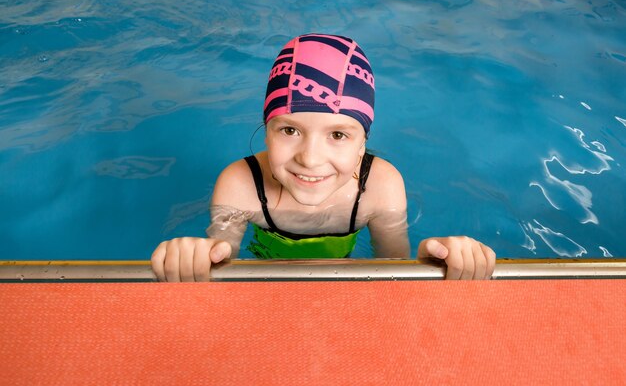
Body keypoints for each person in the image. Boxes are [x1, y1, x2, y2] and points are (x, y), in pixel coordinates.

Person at [152, 33, 496, 281]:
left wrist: (433, 262)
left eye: (338, 135)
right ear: (267, 130)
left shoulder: (379, 186)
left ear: (362, 143)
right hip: (264, 272)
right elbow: (219, 265)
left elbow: (393, 273)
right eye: (289, 131)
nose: (311, 159)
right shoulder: (241, 184)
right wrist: (193, 258)